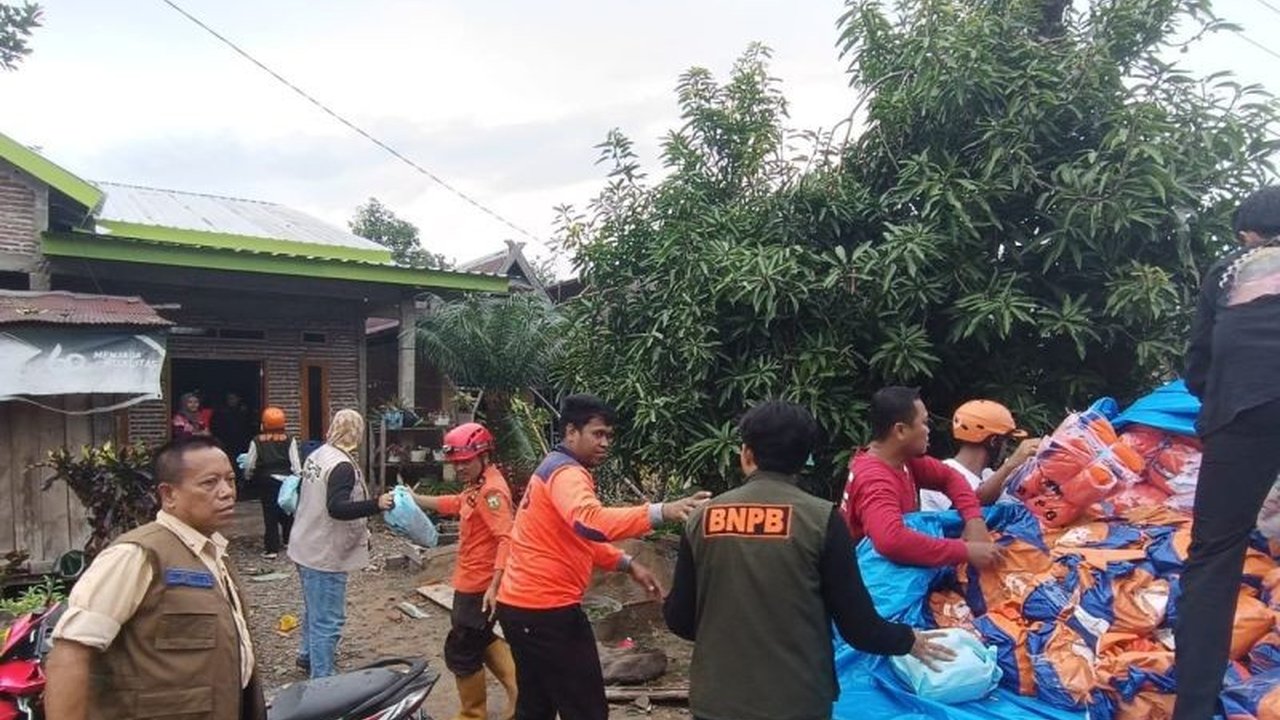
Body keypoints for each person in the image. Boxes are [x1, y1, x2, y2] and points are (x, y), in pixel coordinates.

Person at [664, 401, 956, 720]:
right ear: (805, 460)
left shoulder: (703, 519)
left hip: (717, 702)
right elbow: (858, 628)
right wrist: (908, 639)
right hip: (797, 703)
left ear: (747, 455)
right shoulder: (821, 521)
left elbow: (680, 618)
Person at [495, 393, 711, 720]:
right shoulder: (566, 473)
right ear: (571, 432)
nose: (606, 442)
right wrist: (662, 510)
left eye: (609, 435)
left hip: (521, 609)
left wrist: (627, 563)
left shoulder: (554, 469)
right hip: (547, 613)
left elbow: (577, 536)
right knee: (587, 711)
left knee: (536, 705)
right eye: (597, 434)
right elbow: (590, 522)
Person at [43, 436, 266, 720]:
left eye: (230, 480)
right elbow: (71, 652)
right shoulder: (136, 555)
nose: (226, 492)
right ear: (169, 494)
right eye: (209, 483)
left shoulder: (213, 553)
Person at [1176, 186, 1280, 720]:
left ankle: (1191, 710)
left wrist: (1218, 406)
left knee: (1214, 559)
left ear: (1246, 234)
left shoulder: (1228, 269)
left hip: (1242, 414)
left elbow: (1198, 360)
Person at [409, 422, 517, 720]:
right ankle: (520, 694)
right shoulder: (478, 484)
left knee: (461, 649)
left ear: (484, 455)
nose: (459, 468)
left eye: (465, 461)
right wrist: (415, 499)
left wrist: (495, 586)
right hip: (470, 581)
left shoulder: (492, 491)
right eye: (455, 463)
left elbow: (506, 537)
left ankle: (473, 714)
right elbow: (456, 503)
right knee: (480, 638)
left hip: (481, 587)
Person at [840, 386, 1001, 569]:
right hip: (872, 585)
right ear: (900, 431)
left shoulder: (901, 459)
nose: (928, 430)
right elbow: (892, 541)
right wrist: (965, 551)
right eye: (924, 423)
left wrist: (974, 519)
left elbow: (950, 477)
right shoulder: (875, 480)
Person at [288, 408, 393, 679]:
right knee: (328, 621)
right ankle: (323, 679)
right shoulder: (342, 465)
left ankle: (307, 655)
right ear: (356, 433)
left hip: (304, 544)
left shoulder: (318, 454)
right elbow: (337, 508)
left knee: (314, 607)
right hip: (324, 552)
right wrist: (376, 504)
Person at [919, 399, 1041, 510]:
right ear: (994, 441)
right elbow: (968, 508)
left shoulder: (988, 476)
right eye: (1007, 441)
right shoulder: (939, 474)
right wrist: (1010, 465)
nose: (1006, 448)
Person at [244, 406, 302, 559]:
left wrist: (247, 475)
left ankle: (271, 549)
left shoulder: (257, 440)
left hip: (266, 480)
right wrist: (298, 477)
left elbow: (250, 462)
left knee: (269, 514)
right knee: (287, 509)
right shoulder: (289, 439)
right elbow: (295, 462)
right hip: (286, 480)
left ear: (264, 424)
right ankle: (289, 541)